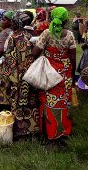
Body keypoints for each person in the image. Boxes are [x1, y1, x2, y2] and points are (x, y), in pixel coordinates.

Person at [32, 7, 77, 140]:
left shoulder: (46, 33)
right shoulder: (69, 35)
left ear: (51, 18)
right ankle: (62, 132)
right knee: (62, 102)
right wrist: (72, 77)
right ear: (65, 20)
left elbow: (35, 52)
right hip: (64, 73)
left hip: (48, 73)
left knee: (47, 102)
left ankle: (47, 132)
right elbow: (73, 58)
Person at [2, 11, 39, 137]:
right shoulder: (30, 36)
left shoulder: (13, 37)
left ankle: (20, 131)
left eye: (12, 21)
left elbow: (10, 59)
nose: (11, 24)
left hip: (18, 77)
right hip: (30, 76)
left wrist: (7, 78)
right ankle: (33, 128)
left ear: (17, 23)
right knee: (30, 101)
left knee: (18, 102)